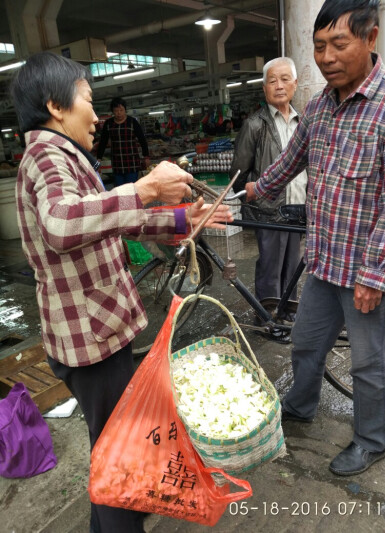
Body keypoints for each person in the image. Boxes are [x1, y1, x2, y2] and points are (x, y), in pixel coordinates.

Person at [11, 51, 232, 533]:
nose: (96, 115)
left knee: (112, 446)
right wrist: (148, 188)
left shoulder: (62, 156)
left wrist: (179, 218)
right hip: (89, 339)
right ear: (55, 104)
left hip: (94, 331)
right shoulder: (47, 155)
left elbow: (104, 221)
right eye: (89, 100)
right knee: (122, 458)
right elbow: (63, 223)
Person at [246, 0, 385, 476]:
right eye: (318, 47)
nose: (327, 57)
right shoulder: (319, 108)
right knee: (306, 344)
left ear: (371, 39)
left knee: (367, 365)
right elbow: (289, 161)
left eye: (339, 44)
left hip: (365, 273)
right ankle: (300, 407)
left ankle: (372, 440)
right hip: (323, 262)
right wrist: (251, 190)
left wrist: (375, 276)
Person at [230, 57, 308, 343]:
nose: (279, 86)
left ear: (295, 84)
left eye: (285, 79)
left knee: (292, 264)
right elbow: (238, 173)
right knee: (270, 268)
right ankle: (266, 318)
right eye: (272, 80)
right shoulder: (255, 124)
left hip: (297, 208)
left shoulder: (303, 122)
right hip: (269, 210)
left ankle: (288, 314)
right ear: (264, 88)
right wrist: (257, 196)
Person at [97, 96, 150, 186]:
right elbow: (103, 142)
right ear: (113, 111)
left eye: (121, 110)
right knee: (120, 190)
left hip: (132, 162)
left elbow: (142, 139)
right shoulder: (108, 123)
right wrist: (99, 159)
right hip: (117, 164)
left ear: (125, 109)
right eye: (116, 111)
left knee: (132, 188)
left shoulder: (132, 122)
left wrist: (146, 156)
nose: (119, 113)